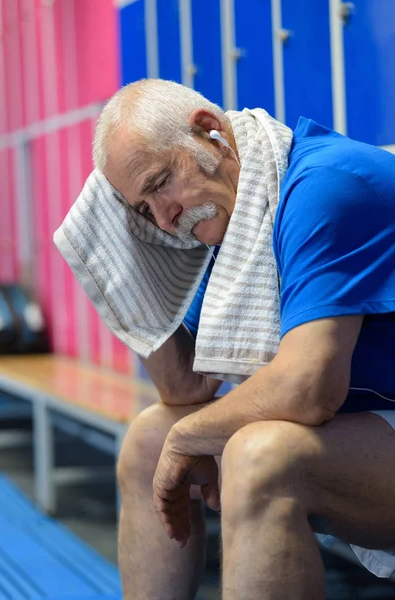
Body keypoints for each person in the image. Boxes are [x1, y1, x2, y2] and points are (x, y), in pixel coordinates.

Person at [75, 79, 395, 599]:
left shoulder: (323, 186)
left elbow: (307, 390)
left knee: (258, 455)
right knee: (149, 439)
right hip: (368, 427)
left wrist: (189, 439)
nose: (164, 219)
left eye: (160, 183)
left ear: (210, 133)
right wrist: (123, 260)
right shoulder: (238, 223)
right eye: (142, 211)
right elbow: (186, 389)